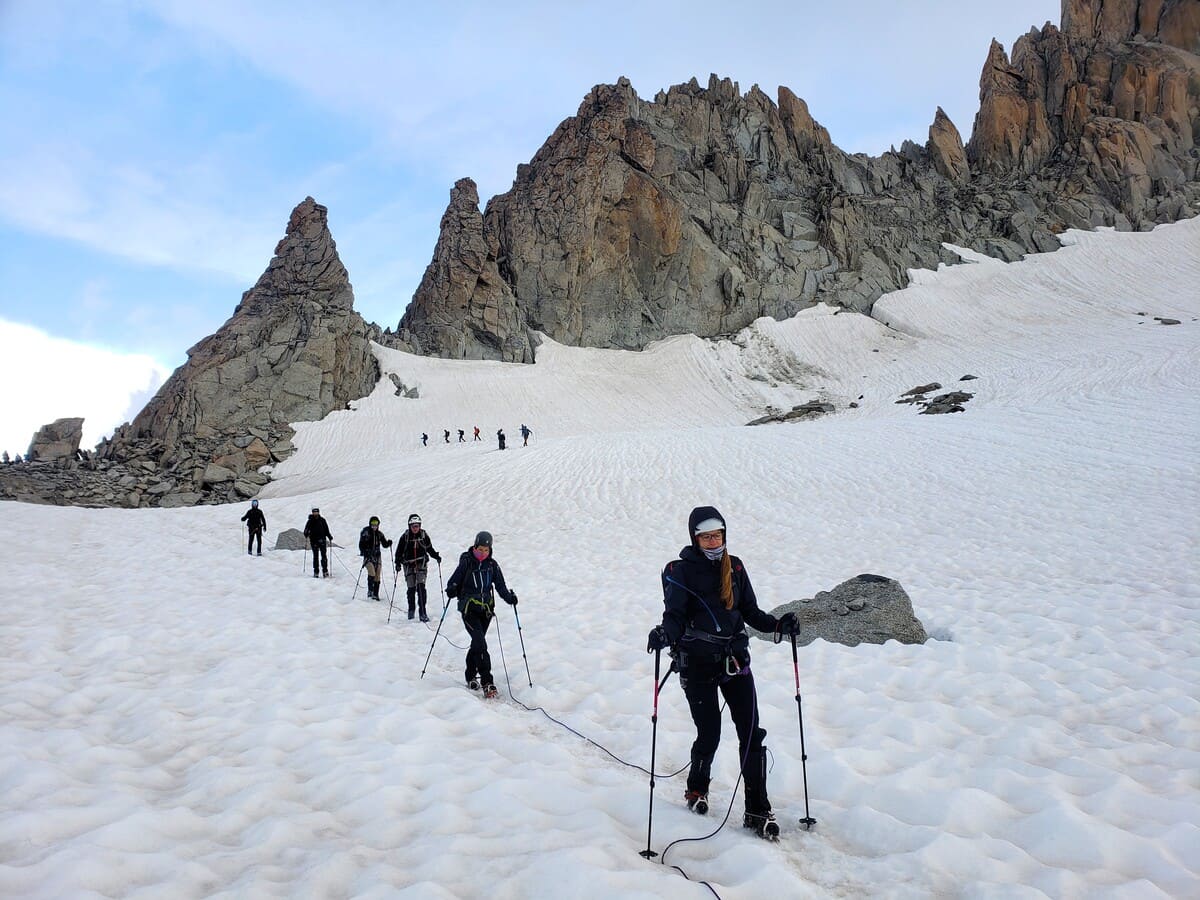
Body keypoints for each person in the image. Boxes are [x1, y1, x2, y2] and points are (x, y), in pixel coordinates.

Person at [647, 506, 799, 841]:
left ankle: (757, 809)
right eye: (706, 536)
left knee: (751, 734)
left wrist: (778, 625)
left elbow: (750, 612)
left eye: (717, 535)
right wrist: (663, 634)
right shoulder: (681, 571)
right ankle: (696, 789)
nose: (713, 541)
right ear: (695, 538)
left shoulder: (736, 567)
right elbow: (674, 616)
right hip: (697, 664)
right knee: (710, 732)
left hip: (735, 661)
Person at [445, 531, 517, 698]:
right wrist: (452, 588)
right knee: (480, 642)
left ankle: (470, 675)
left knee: (477, 643)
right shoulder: (466, 562)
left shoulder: (492, 565)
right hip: (469, 610)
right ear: (475, 546)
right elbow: (453, 581)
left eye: (486, 550)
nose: (483, 553)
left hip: (486, 612)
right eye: (480, 549)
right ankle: (487, 682)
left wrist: (510, 598)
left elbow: (500, 586)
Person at [395, 514, 442, 621]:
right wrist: (397, 563)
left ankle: (423, 612)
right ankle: (411, 610)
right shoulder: (405, 537)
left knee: (421, 587)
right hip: (408, 564)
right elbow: (399, 552)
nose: (415, 528)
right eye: (413, 526)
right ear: (409, 526)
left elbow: (429, 548)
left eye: (417, 526)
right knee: (411, 589)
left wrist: (436, 556)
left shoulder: (424, 535)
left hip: (421, 564)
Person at [358, 516, 393, 600]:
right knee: (372, 572)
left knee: (377, 575)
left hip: (377, 556)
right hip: (368, 557)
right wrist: (364, 552)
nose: (374, 526)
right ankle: (370, 591)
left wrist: (388, 543)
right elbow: (361, 544)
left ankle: (376, 594)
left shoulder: (379, 534)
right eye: (373, 524)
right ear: (370, 524)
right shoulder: (365, 532)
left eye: (376, 524)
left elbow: (384, 544)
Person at [303, 507, 333, 578]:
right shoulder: (310, 521)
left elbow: (326, 530)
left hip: (322, 540)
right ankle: (316, 572)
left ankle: (325, 571)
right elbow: (305, 531)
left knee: (324, 556)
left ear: (318, 512)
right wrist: (306, 533)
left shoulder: (322, 520)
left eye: (316, 512)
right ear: (312, 513)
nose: (315, 513)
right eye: (314, 512)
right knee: (315, 557)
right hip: (314, 541)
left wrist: (329, 536)